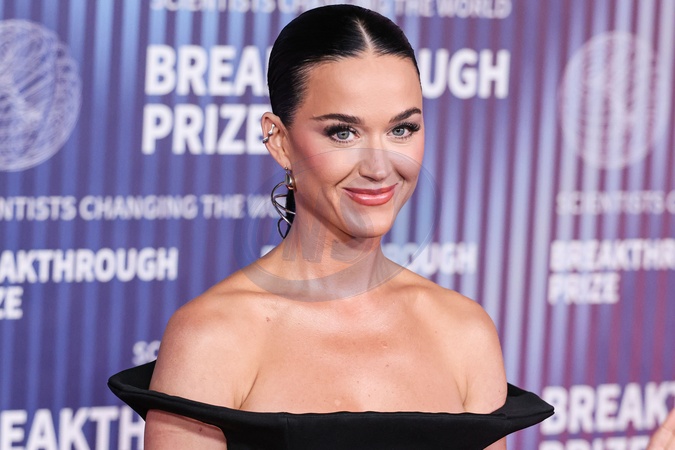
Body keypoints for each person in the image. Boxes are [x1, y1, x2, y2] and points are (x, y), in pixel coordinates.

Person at [109, 5, 556, 449]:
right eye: (344, 133)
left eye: (402, 129)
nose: (379, 167)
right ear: (279, 141)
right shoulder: (212, 337)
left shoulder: (464, 333)